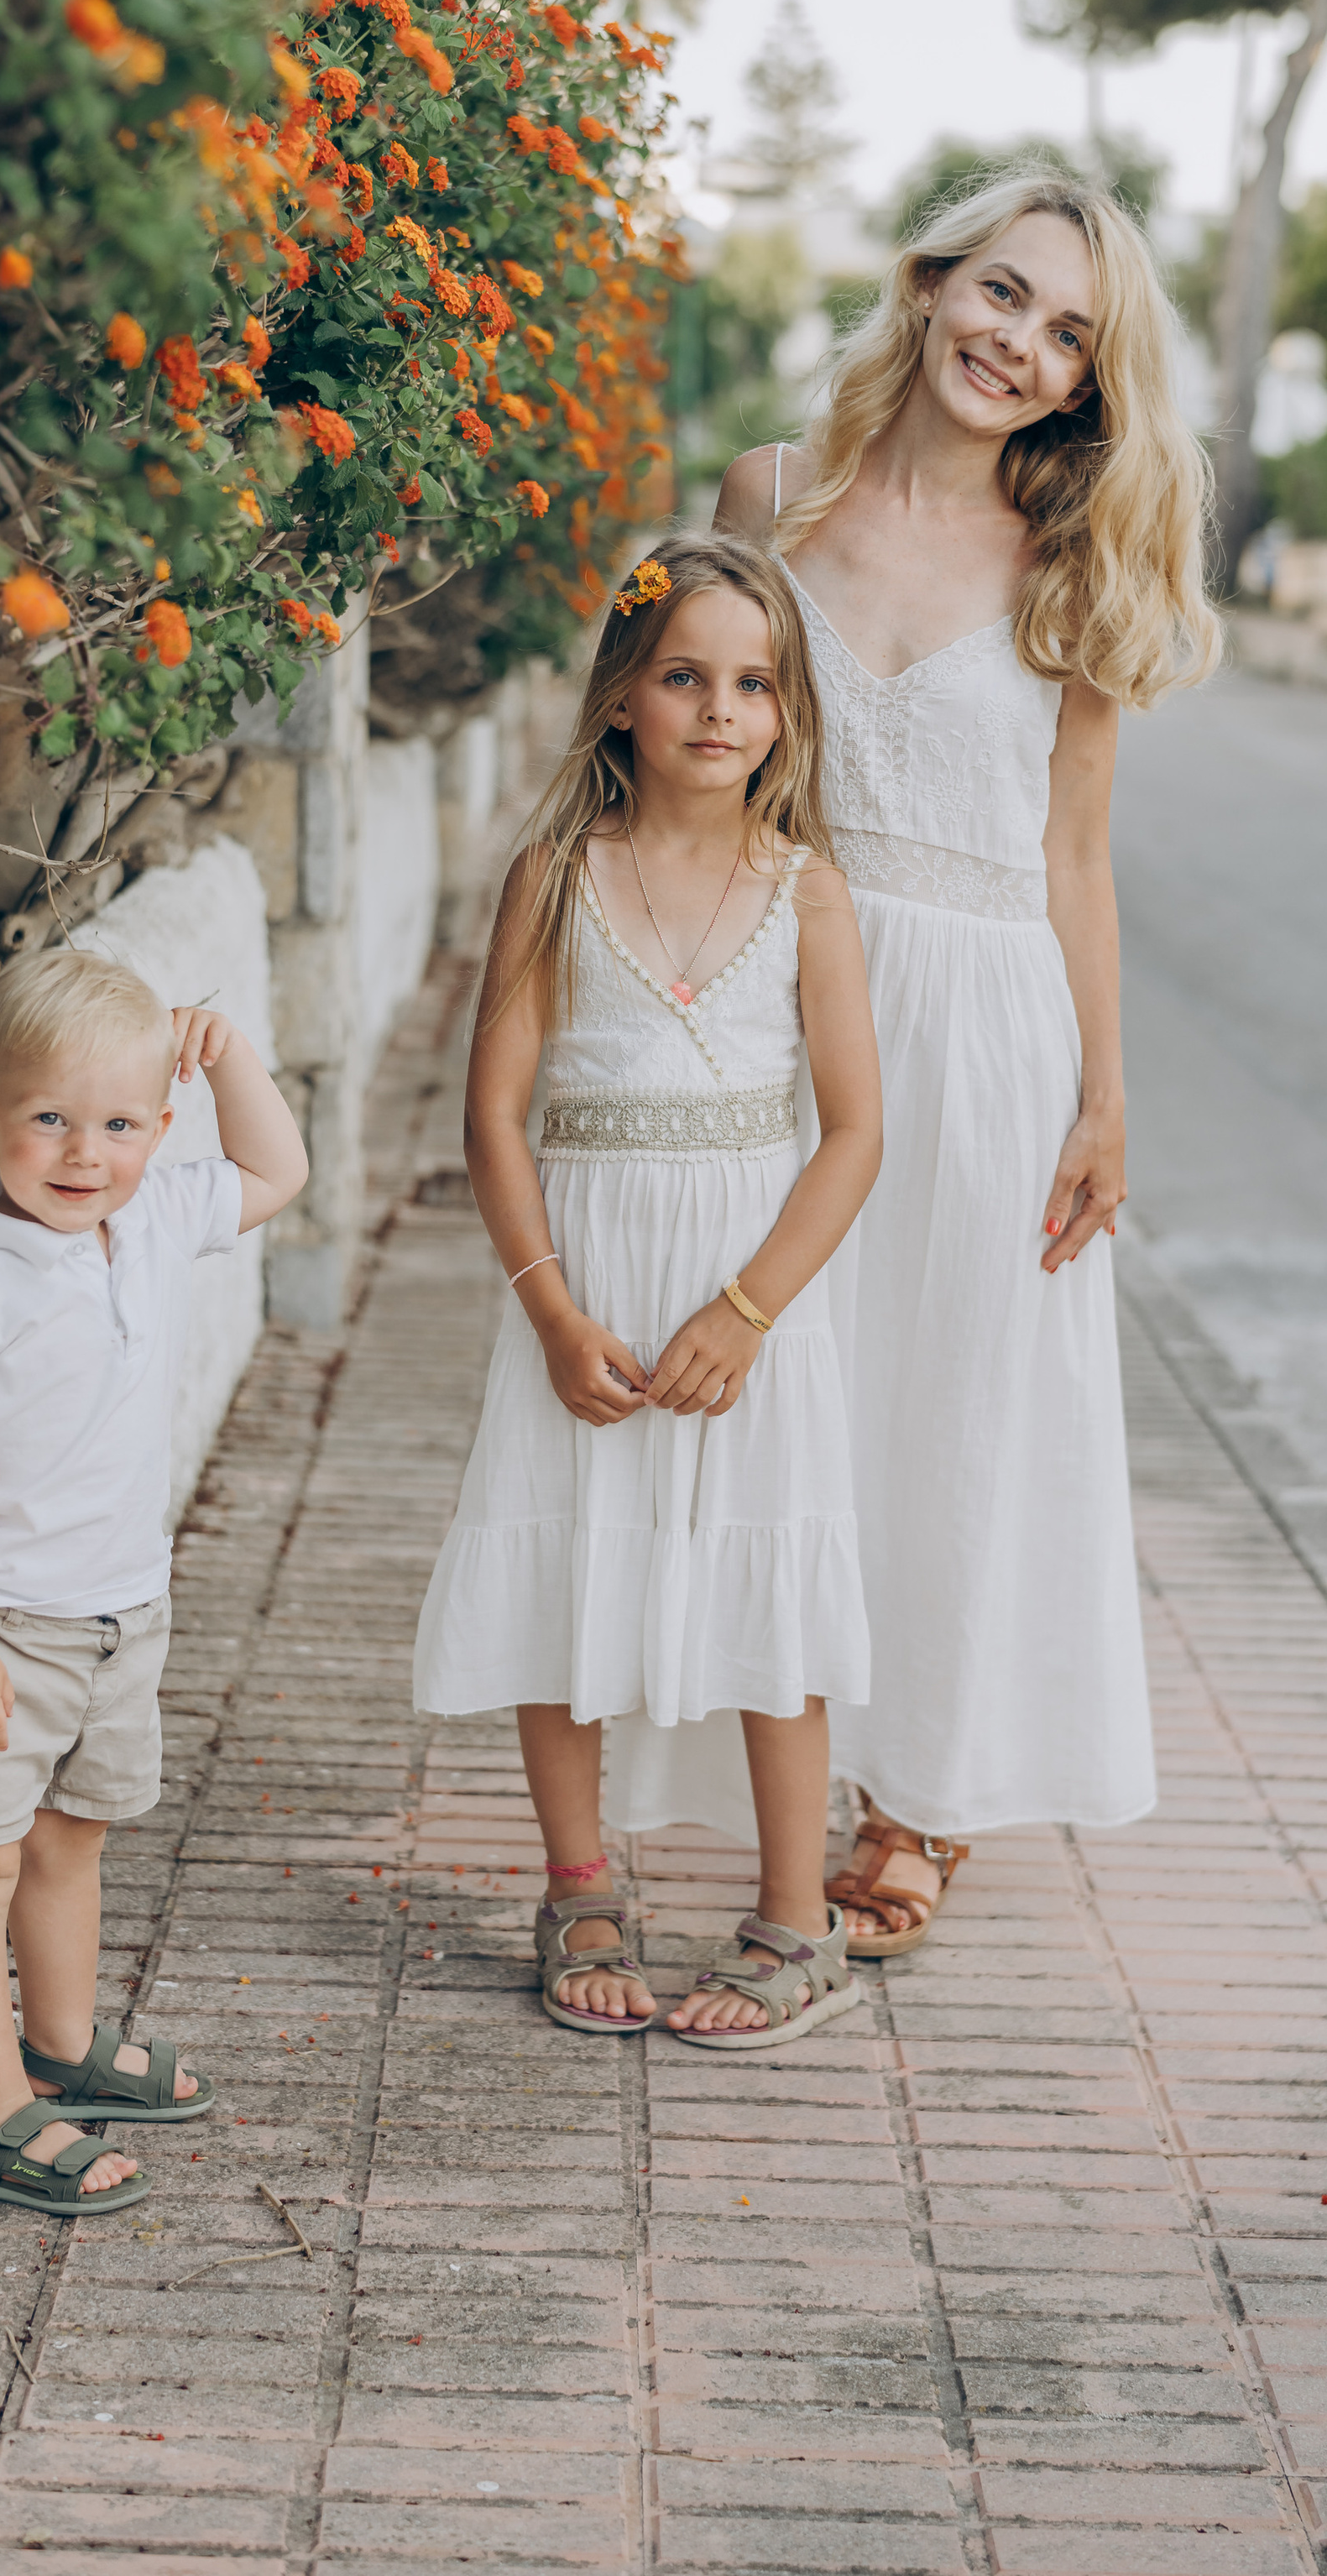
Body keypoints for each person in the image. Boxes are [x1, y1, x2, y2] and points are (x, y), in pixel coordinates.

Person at [718, 170, 1220, 1952]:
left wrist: (1100, 1097)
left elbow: (1071, 851)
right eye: (1001, 295)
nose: (1019, 343)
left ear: (1090, 380)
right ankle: (795, 1756)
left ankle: (917, 1801)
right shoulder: (766, 501)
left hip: (990, 1014)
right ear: (929, 285)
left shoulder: (1072, 556)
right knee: (801, 1393)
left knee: (956, 1412)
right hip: (789, 1002)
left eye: (1067, 332)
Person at [415, 535, 884, 2047]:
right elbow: (494, 1117)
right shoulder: (555, 878)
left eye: (753, 684)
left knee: (773, 1582)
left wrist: (748, 1312)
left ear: (788, 712)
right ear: (622, 694)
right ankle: (580, 1886)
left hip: (748, 1304)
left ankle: (794, 1917)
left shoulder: (809, 894)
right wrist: (551, 1312)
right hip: (590, 1293)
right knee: (572, 1576)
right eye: (684, 675)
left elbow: (857, 1133)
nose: (719, 710)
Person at [0, 946, 308, 2204]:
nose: (86, 1153)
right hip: (8, 1629)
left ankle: (59, 2046)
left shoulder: (155, 1218)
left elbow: (279, 1170)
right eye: (50, 1120)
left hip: (127, 1615)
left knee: (76, 1842)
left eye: (121, 1124)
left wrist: (229, 1052)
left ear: (159, 1127)